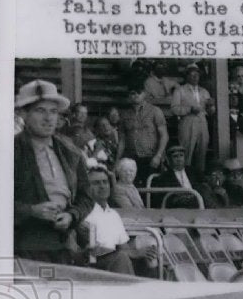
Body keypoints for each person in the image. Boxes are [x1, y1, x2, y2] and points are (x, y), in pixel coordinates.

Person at [14, 80, 95, 263]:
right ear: (23, 114)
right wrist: (32, 211)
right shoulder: (8, 152)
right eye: (40, 110)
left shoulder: (71, 151)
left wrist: (71, 215)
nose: (48, 118)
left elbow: (86, 196)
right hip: (23, 249)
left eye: (53, 111)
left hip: (65, 247)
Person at [80, 164, 155, 274]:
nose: (102, 186)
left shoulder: (113, 214)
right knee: (122, 257)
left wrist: (142, 252)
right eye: (96, 183)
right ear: (87, 187)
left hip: (117, 260)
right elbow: (93, 251)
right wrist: (132, 253)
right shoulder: (83, 213)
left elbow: (124, 247)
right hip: (95, 265)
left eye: (105, 182)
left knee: (151, 256)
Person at [121, 83, 170, 186]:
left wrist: (158, 155)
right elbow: (122, 139)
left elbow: (164, 135)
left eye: (139, 92)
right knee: (133, 188)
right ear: (129, 96)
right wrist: (118, 160)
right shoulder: (125, 114)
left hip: (150, 157)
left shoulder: (155, 111)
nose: (136, 95)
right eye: (132, 93)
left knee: (151, 188)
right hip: (132, 158)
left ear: (144, 94)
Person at [170, 64, 211, 171]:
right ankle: (184, 175)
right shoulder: (180, 90)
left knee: (202, 150)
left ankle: (200, 176)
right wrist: (189, 109)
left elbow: (210, 110)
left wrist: (211, 107)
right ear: (187, 76)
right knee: (186, 150)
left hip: (202, 122)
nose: (195, 77)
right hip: (187, 122)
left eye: (197, 75)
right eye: (192, 75)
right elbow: (174, 109)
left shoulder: (204, 91)